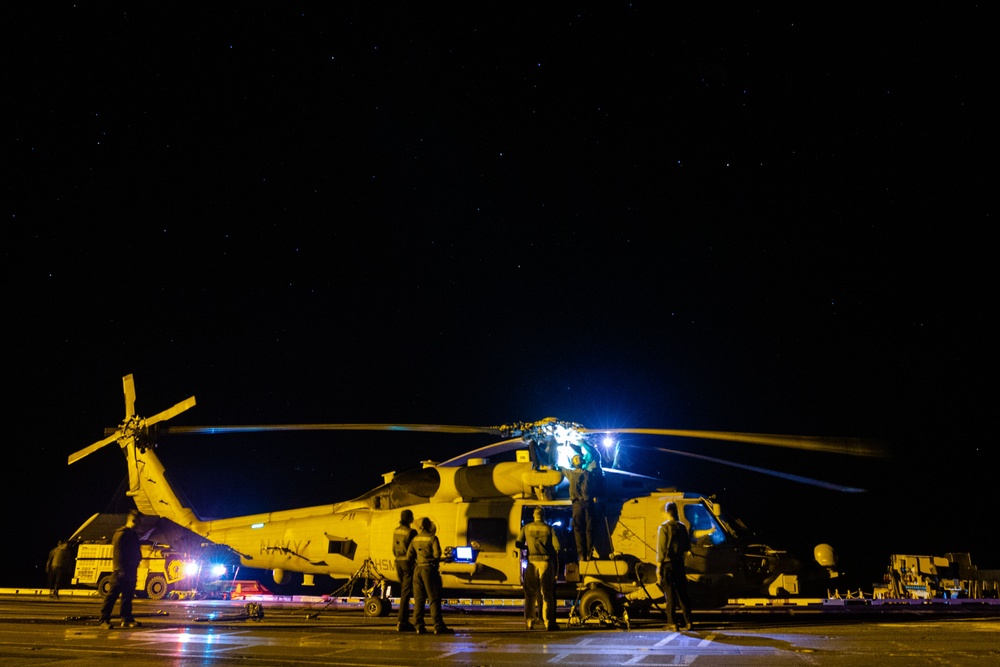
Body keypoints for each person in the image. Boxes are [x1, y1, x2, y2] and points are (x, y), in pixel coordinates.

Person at [406, 517, 453, 635]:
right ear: (429, 526)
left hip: (418, 570)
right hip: (429, 570)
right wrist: (443, 559)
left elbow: (408, 556)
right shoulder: (433, 538)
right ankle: (438, 626)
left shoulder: (415, 539)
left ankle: (419, 626)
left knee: (419, 599)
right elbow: (437, 555)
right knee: (434, 598)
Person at [516, 507, 561, 631]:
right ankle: (548, 623)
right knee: (547, 593)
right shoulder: (549, 529)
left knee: (530, 594)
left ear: (533, 515)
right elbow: (557, 547)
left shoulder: (526, 528)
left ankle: (530, 622)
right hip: (545, 563)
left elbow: (518, 543)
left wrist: (527, 548)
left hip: (532, 562)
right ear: (544, 516)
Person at [98, 509, 143, 629]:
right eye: (139, 522)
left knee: (127, 596)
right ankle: (103, 619)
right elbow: (118, 553)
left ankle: (126, 619)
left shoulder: (132, 534)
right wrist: (120, 569)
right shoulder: (122, 534)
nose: (140, 525)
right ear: (133, 520)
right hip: (121, 571)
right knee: (112, 596)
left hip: (130, 570)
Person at [657, 501, 693, 631]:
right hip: (679, 564)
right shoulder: (682, 527)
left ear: (667, 512)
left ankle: (672, 623)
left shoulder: (664, 528)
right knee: (683, 594)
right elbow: (687, 547)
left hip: (667, 565)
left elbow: (661, 549)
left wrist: (658, 567)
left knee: (669, 595)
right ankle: (689, 622)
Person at [564, 454, 597, 560]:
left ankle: (588, 553)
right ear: (573, 462)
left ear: (582, 461)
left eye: (579, 458)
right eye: (575, 458)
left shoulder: (589, 474)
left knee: (589, 529)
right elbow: (558, 467)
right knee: (579, 529)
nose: (577, 459)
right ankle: (582, 554)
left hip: (587, 503)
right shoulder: (571, 473)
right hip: (578, 503)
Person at [392, 509, 418, 632]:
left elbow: (393, 548)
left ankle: (403, 620)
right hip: (408, 563)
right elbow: (414, 549)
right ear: (410, 518)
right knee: (406, 593)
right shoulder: (411, 532)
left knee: (404, 592)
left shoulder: (396, 530)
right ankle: (402, 621)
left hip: (398, 562)